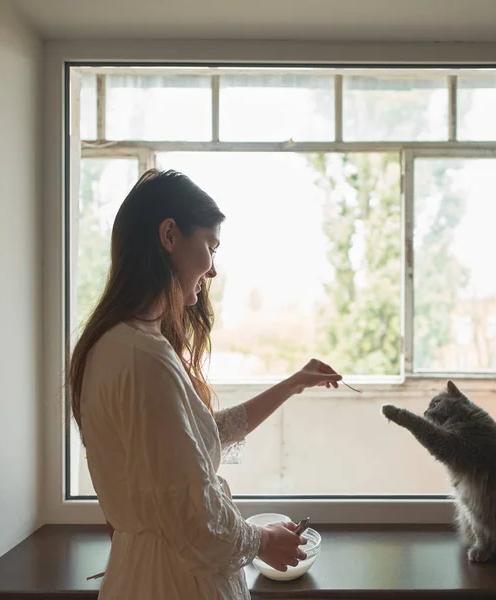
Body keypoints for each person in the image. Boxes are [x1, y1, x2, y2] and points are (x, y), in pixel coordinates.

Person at [68, 169, 343, 599]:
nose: (212, 269)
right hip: (174, 582)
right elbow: (196, 516)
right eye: (210, 247)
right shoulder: (145, 358)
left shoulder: (118, 344)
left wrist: (293, 383)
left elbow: (196, 439)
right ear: (170, 235)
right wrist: (263, 541)